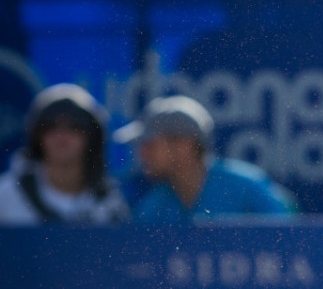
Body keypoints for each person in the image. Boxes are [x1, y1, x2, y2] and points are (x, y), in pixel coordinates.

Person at [114, 95, 293, 222]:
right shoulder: (153, 205)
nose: (142, 154)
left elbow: (289, 243)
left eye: (150, 145)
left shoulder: (248, 187)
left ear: (184, 146)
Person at [0, 84, 128, 224]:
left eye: (75, 127)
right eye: (51, 126)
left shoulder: (110, 203)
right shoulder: (6, 196)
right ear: (37, 136)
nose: (61, 135)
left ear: (92, 137)